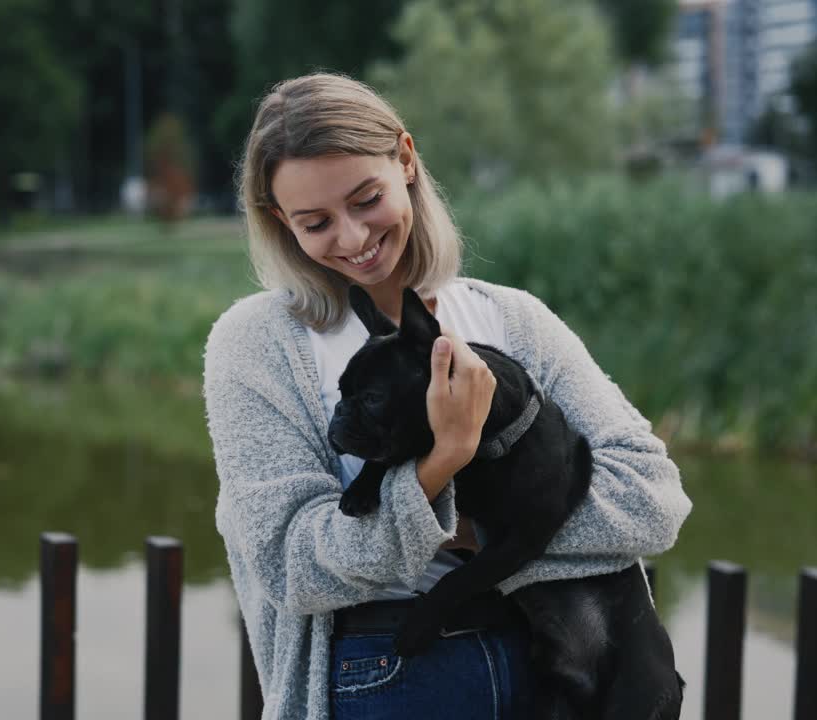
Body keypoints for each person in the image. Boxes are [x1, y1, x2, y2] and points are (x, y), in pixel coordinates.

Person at [202, 72, 692, 720]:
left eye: (366, 198)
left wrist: (462, 530)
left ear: (405, 160)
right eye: (316, 221)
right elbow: (292, 566)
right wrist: (445, 469)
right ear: (277, 220)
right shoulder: (259, 345)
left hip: (552, 673)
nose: (351, 239)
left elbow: (652, 499)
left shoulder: (513, 321)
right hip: (390, 677)